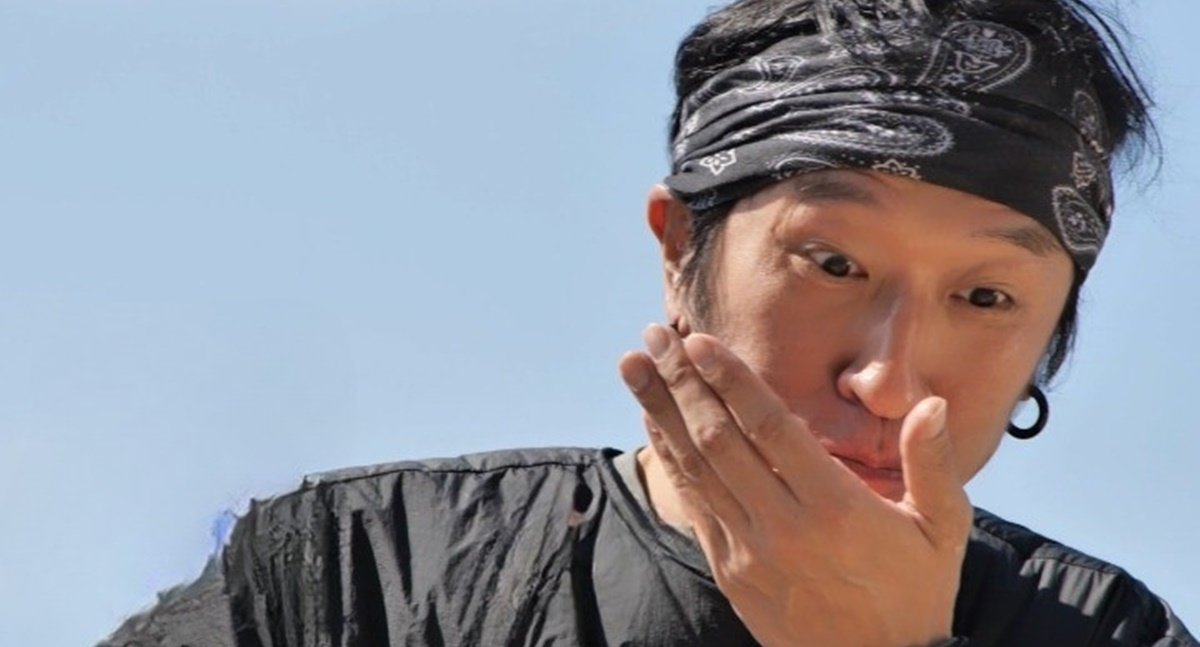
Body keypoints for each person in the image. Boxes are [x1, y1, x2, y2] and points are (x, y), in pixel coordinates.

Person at [101, 0, 1196, 645]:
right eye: (832, 262)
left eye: (987, 297)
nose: (886, 376)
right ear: (680, 250)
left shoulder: (1106, 632)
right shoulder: (356, 574)